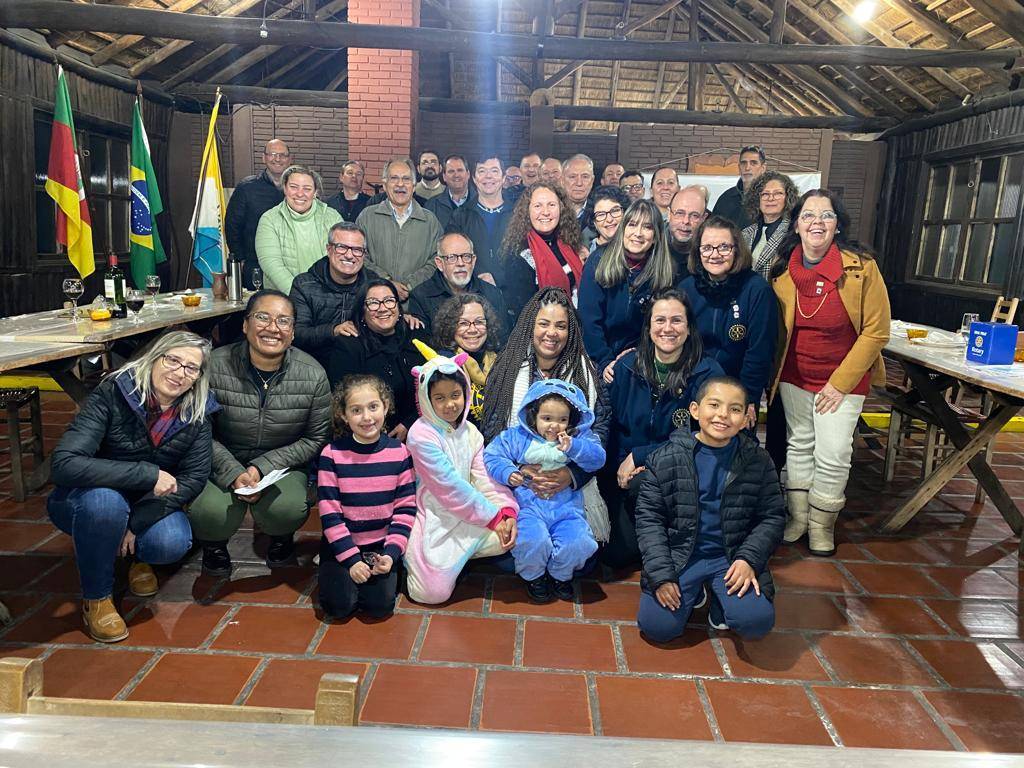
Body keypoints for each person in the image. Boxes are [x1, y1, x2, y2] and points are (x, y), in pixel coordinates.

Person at [48, 331, 216, 643]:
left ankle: (135, 557)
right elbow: (64, 464)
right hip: (88, 497)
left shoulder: (198, 410)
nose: (179, 372)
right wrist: (146, 474)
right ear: (154, 358)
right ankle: (97, 598)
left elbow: (194, 476)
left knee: (171, 543)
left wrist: (137, 522)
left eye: (191, 368)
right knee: (106, 505)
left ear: (198, 377)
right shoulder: (113, 392)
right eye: (172, 360)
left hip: (147, 502)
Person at [770, 189, 890, 556]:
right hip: (794, 375)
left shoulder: (862, 268)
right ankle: (798, 518)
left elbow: (877, 331)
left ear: (838, 225)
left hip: (843, 380)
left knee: (834, 452)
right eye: (808, 215)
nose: (817, 222)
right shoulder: (781, 271)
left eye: (826, 215)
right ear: (796, 225)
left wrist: (839, 385)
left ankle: (822, 525)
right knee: (799, 445)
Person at [189, 291, 331, 575]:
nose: (272, 328)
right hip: (222, 459)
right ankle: (214, 546)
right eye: (262, 317)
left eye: (283, 321)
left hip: (281, 464)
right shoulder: (214, 365)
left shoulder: (313, 374)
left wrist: (262, 467)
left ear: (293, 332)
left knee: (288, 508)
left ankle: (281, 538)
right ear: (245, 324)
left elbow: (315, 438)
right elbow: (198, 429)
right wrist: (232, 471)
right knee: (209, 511)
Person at [635, 376, 784, 642]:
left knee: (756, 622)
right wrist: (662, 575)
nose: (723, 415)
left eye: (735, 409)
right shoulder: (665, 458)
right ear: (695, 410)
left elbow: (772, 517)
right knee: (658, 627)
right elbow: (649, 521)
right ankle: (694, 590)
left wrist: (749, 559)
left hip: (730, 556)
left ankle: (719, 598)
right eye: (714, 405)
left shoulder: (758, 461)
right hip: (682, 555)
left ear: (746, 418)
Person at [602, 289, 722, 569]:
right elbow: (610, 426)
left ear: (689, 328)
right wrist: (622, 464)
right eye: (660, 320)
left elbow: (705, 438)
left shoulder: (708, 374)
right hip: (625, 474)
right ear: (648, 327)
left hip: (681, 474)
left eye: (677, 320)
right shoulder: (626, 368)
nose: (668, 328)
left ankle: (678, 537)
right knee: (614, 556)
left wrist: (642, 457)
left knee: (645, 486)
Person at [481, 288, 610, 545]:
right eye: (544, 323)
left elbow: (600, 433)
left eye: (561, 326)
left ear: (570, 331)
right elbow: (492, 432)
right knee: (523, 549)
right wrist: (519, 470)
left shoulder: (587, 373)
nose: (552, 332)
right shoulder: (506, 369)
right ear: (531, 325)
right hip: (517, 485)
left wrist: (572, 475)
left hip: (572, 491)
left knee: (579, 551)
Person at [404, 353, 519, 604]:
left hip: (472, 512)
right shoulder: (421, 435)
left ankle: (461, 559)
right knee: (431, 594)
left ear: (465, 393)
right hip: (435, 515)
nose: (450, 405)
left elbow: (485, 478)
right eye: (439, 398)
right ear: (426, 399)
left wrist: (505, 511)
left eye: (455, 395)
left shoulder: (471, 432)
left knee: (514, 534)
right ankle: (414, 556)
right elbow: (449, 488)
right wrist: (493, 518)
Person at [484, 380, 605, 603]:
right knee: (531, 540)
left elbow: (598, 458)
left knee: (579, 542)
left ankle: (560, 575)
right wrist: (510, 472)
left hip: (566, 509)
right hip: (528, 507)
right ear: (534, 416)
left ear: (570, 420)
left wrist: (574, 447)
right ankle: (535, 577)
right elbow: (492, 455)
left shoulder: (577, 437)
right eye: (547, 418)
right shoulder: (518, 436)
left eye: (562, 420)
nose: (554, 426)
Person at [316, 375, 416, 620]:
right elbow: (330, 514)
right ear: (343, 415)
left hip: (380, 545)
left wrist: (391, 554)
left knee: (379, 608)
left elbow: (405, 509)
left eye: (373, 407)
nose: (367, 417)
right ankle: (335, 570)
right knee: (338, 608)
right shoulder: (332, 454)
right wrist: (351, 560)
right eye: (356, 410)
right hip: (342, 543)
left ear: (385, 406)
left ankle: (392, 571)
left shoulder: (400, 453)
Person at [681, 215, 777, 428]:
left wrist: (748, 397)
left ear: (737, 250)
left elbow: (759, 351)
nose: (715, 254)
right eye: (707, 248)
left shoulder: (757, 290)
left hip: (738, 391)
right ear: (698, 252)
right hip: (694, 389)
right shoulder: (686, 289)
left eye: (724, 247)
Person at [579, 199, 676, 383]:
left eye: (647, 227)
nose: (638, 233)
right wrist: (605, 360)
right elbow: (589, 321)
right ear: (623, 228)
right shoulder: (598, 261)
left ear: (656, 236)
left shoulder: (665, 272)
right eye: (632, 224)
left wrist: (639, 353)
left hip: (641, 359)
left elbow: (660, 327)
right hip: (598, 358)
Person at [326, 278, 425, 441]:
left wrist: (411, 423)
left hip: (420, 428)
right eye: (373, 303)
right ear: (362, 311)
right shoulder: (348, 346)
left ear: (398, 306)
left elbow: (434, 387)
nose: (383, 308)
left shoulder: (416, 333)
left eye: (389, 300)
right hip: (369, 436)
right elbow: (345, 402)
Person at [497, 182, 585, 322]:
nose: (545, 212)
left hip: (578, 324)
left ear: (561, 209)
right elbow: (523, 312)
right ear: (527, 211)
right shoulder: (517, 255)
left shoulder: (569, 243)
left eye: (551, 205)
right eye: (538, 206)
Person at [357, 157, 442, 300]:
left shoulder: (430, 221)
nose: (400, 184)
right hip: (376, 302)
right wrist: (386, 282)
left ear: (414, 186)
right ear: (385, 185)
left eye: (406, 179)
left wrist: (409, 285)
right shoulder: (367, 217)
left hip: (417, 303)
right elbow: (358, 255)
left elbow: (437, 259)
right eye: (394, 178)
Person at [290, 221, 373, 366]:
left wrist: (402, 318)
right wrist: (333, 330)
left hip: (362, 363)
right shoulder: (304, 284)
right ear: (329, 249)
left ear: (364, 254)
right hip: (313, 364)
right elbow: (296, 334)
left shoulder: (373, 284)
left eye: (357, 250)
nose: (349, 255)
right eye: (341, 247)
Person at [255, 165, 341, 293]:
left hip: (328, 295)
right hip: (285, 297)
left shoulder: (332, 217)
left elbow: (341, 257)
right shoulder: (269, 219)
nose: (300, 194)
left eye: (307, 189)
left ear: (315, 192)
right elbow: (271, 264)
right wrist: (300, 295)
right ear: (285, 188)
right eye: (294, 187)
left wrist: (327, 296)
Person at [407, 232, 507, 340]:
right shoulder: (420, 297)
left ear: (473, 261)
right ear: (440, 263)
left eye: (466, 256)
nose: (460, 263)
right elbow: (422, 345)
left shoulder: (492, 293)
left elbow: (504, 338)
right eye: (452, 257)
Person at [429, 293, 504, 426]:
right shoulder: (444, 366)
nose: (472, 329)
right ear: (450, 327)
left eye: (479, 322)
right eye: (463, 323)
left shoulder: (498, 358)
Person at [225, 139, 289, 288]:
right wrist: (240, 259)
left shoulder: (296, 189)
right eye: (272, 154)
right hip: (255, 264)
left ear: (289, 159)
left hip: (289, 264)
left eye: (282, 155)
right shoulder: (247, 187)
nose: (278, 159)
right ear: (263, 158)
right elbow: (232, 226)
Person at [448, 153, 514, 281]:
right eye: (482, 171)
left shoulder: (517, 214)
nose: (488, 176)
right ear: (474, 178)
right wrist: (479, 278)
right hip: (472, 287)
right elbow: (453, 256)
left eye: (494, 171)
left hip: (510, 289)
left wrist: (497, 279)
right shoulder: (460, 216)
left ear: (503, 178)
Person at [742, 170, 798, 281]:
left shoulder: (794, 233)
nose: (771, 198)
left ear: (788, 198)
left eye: (778, 193)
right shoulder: (745, 233)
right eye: (765, 194)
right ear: (757, 199)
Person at [713, 145, 767, 229]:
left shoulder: (770, 199)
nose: (747, 168)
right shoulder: (726, 197)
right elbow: (712, 228)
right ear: (739, 167)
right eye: (743, 163)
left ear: (763, 168)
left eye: (753, 163)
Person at [667, 185, 708, 281]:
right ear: (669, 214)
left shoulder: (711, 252)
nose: (686, 221)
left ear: (703, 219)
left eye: (694, 216)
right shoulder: (653, 245)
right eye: (680, 213)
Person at [425, 154, 475, 230]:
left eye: (460, 170)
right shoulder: (431, 206)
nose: (456, 175)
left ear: (468, 174)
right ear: (444, 177)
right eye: (451, 171)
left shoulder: (481, 203)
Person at [585, 185, 629, 260]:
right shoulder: (586, 253)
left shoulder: (636, 248)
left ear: (625, 213)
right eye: (601, 214)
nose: (609, 219)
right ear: (594, 222)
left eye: (615, 211)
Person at [562, 154, 596, 227]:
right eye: (572, 177)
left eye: (585, 177)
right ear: (562, 180)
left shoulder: (599, 212)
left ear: (592, 181)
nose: (579, 183)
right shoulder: (552, 211)